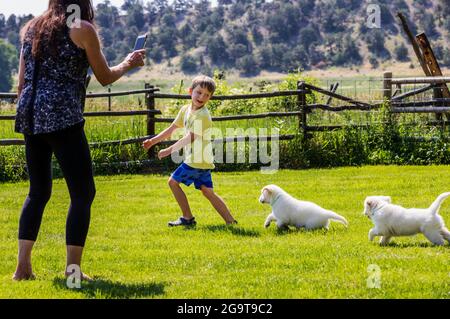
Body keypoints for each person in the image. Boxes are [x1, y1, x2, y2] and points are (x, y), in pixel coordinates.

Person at [13, 0, 145, 281]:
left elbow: (22, 83)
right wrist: (128, 63)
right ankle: (73, 271)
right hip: (63, 117)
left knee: (37, 192)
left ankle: (22, 268)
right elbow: (105, 76)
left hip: (30, 115)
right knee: (83, 194)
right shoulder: (81, 28)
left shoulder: (31, 29)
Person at [143, 76, 237, 227]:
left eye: (207, 95)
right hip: (202, 160)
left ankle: (187, 218)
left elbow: (190, 138)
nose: (202, 97)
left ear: (210, 97)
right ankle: (230, 221)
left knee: (173, 182)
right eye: (199, 92)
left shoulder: (203, 115)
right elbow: (172, 129)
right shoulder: (185, 110)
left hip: (196, 160)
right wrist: (153, 141)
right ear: (190, 91)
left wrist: (169, 150)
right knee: (207, 191)